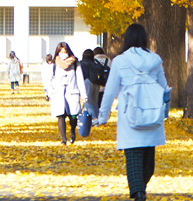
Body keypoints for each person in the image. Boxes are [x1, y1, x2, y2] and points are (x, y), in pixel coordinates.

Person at [98, 24, 169, 201]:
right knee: (147, 160)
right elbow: (164, 89)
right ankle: (140, 190)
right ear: (145, 39)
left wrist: (103, 116)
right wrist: (164, 112)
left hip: (129, 115)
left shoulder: (120, 62)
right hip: (152, 114)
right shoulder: (155, 60)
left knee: (133, 156)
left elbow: (110, 91)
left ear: (127, 39)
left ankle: (138, 193)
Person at [47, 43, 88, 145]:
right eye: (61, 52)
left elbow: (80, 79)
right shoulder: (54, 64)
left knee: (73, 116)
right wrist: (51, 91)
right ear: (57, 52)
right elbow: (48, 80)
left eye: (65, 52)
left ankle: (72, 131)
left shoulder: (75, 64)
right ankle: (63, 139)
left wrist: (84, 94)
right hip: (58, 93)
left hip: (72, 92)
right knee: (61, 116)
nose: (63, 54)